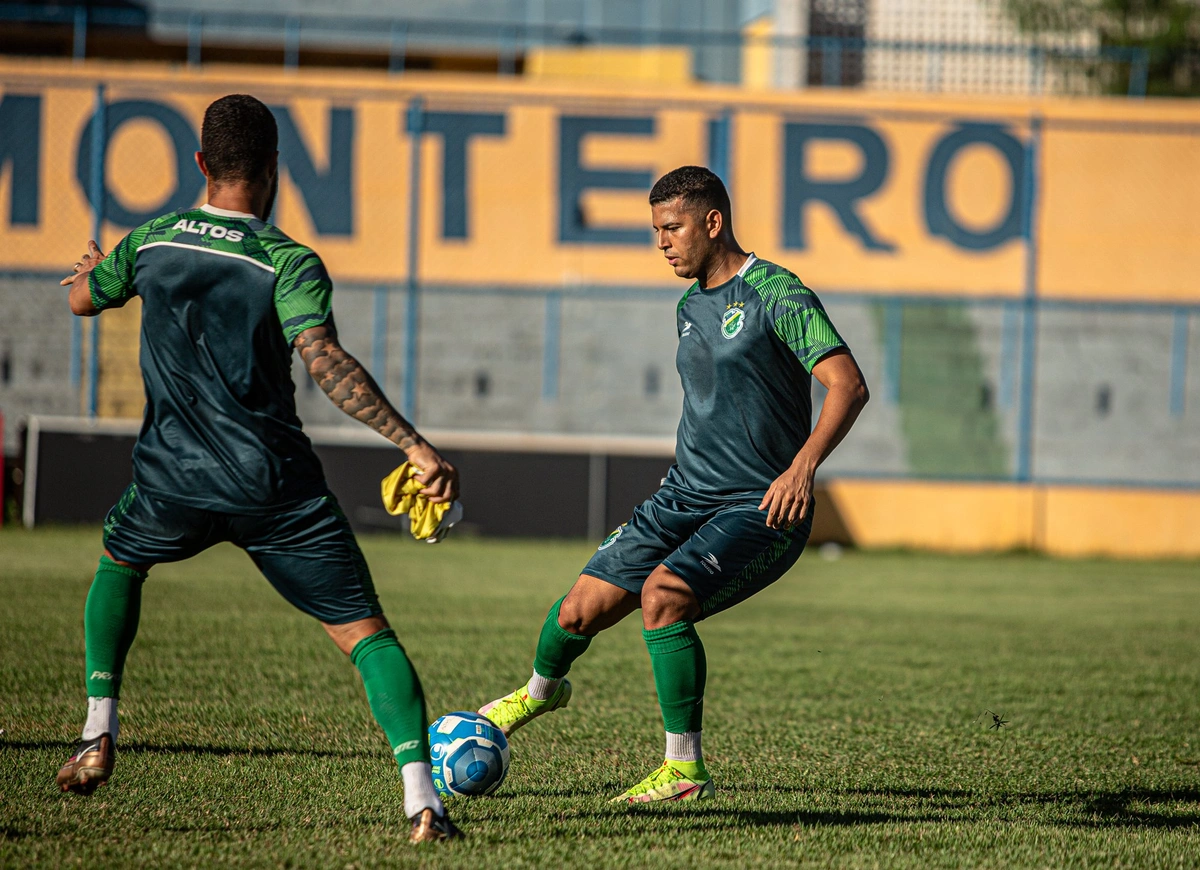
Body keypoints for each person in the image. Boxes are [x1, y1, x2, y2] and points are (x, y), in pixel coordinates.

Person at [54, 94, 462, 843]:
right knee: (368, 637)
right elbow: (325, 359)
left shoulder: (151, 241)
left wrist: (95, 271)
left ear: (203, 163)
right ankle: (422, 803)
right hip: (276, 490)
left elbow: (83, 299)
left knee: (119, 563)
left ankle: (96, 731)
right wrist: (412, 444)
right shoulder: (286, 260)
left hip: (171, 482)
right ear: (275, 170)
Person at [479, 165, 869, 803]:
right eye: (656, 230)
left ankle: (683, 770)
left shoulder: (777, 292)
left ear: (712, 223)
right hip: (682, 497)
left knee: (664, 596)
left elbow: (848, 384)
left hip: (759, 506)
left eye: (672, 227)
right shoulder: (689, 306)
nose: (662, 242)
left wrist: (801, 468)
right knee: (577, 608)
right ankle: (536, 696)